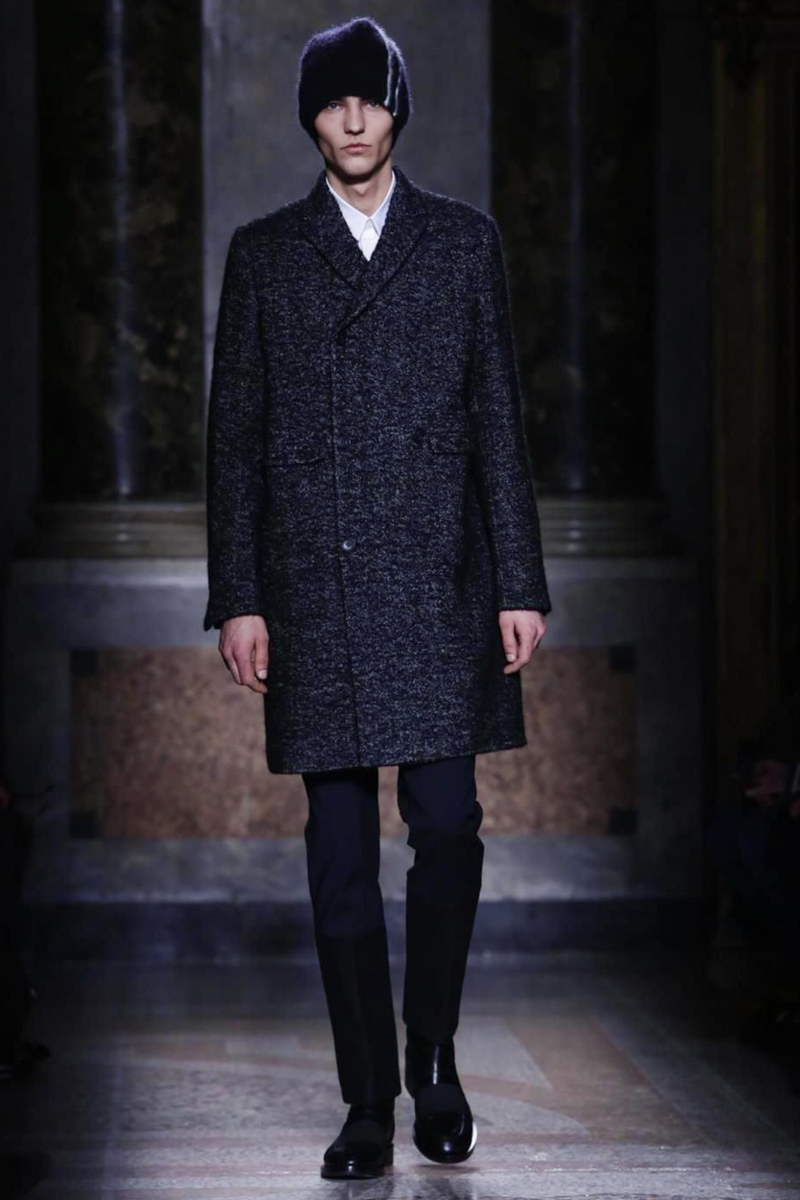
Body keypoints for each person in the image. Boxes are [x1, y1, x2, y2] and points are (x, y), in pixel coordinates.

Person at [203, 15, 551, 1180]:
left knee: (446, 825)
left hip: (441, 580)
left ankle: (432, 1060)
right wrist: (239, 596)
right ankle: (365, 1100)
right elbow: (235, 440)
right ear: (310, 115)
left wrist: (517, 579)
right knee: (339, 852)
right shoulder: (265, 254)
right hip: (317, 586)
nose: (351, 119)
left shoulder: (460, 244)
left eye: (369, 98)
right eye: (331, 100)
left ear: (396, 108)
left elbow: (495, 417)